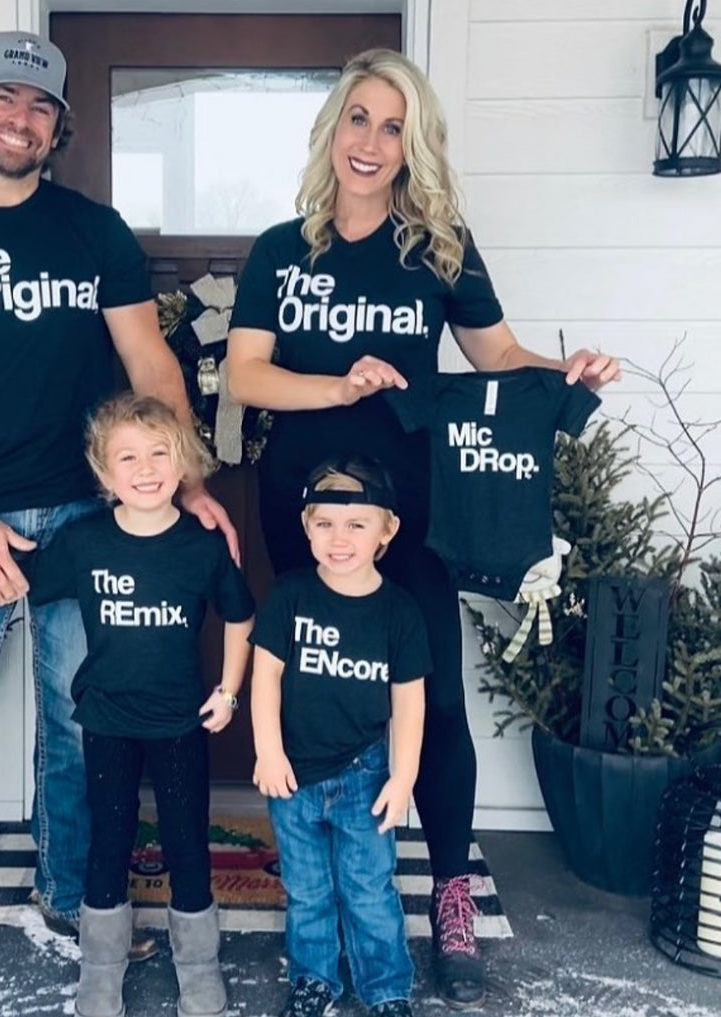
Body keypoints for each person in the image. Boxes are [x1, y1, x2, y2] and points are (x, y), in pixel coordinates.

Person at [226, 47, 621, 1008]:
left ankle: (448, 888)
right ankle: (318, 882)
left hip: (418, 511)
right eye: (358, 119)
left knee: (434, 695)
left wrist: (560, 376)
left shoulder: (440, 247)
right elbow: (245, 375)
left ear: (415, 145)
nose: (371, 141)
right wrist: (342, 382)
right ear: (333, 131)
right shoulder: (284, 248)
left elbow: (496, 354)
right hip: (305, 505)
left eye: (393, 126)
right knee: (317, 683)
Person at [0, 31, 236, 1017]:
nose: (17, 120)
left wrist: (189, 481)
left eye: (37, 107)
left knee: (81, 721)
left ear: (57, 126)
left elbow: (152, 368)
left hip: (87, 512)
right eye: (1, 99)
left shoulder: (94, 232)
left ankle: (74, 893)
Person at [0, 393, 255, 1017]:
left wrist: (228, 691)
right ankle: (101, 966)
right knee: (108, 841)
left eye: (159, 454)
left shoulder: (200, 545)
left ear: (183, 466)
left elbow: (240, 615)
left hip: (180, 724)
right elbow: (15, 580)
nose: (145, 468)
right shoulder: (84, 541)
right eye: (128, 457)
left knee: (186, 842)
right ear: (103, 473)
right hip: (107, 722)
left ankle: (198, 964)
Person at [251, 457, 428, 1017]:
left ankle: (386, 987)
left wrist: (404, 778)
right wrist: (268, 750)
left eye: (356, 525)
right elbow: (266, 676)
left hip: (365, 773)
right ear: (306, 526)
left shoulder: (399, 611)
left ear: (386, 531)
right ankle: (315, 980)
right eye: (325, 523)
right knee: (306, 890)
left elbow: (409, 701)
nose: (340, 538)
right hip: (294, 776)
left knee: (368, 887)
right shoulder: (289, 595)